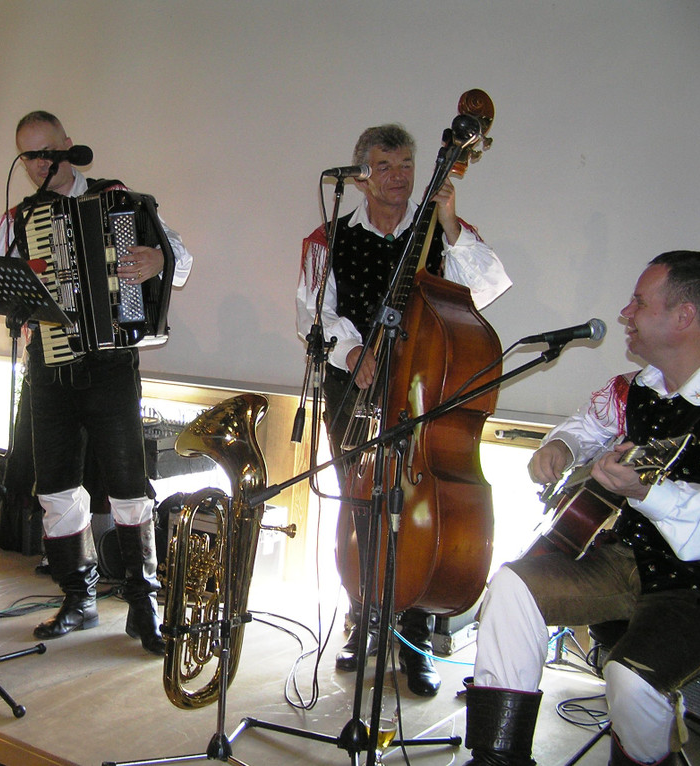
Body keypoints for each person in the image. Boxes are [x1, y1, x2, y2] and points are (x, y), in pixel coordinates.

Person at [295, 124, 511, 695]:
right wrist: (352, 351)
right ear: (361, 176)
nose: (399, 177)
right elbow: (313, 312)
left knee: (419, 513)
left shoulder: (441, 232)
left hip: (424, 393)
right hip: (355, 389)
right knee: (361, 503)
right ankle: (364, 618)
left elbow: (486, 289)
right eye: (386, 167)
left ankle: (415, 635)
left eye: (407, 166)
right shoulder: (328, 237)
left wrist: (449, 221)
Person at [463, 251, 700, 765]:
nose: (625, 313)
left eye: (639, 302)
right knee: (512, 587)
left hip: (692, 587)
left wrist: (647, 492)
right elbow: (586, 426)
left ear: (684, 316)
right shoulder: (635, 390)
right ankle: (497, 757)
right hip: (624, 561)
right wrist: (561, 446)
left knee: (631, 681)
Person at [0, 110, 193, 655]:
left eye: (47, 152)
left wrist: (156, 259)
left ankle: (143, 605)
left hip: (111, 364)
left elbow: (181, 257)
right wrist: (16, 294)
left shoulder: (116, 198)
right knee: (55, 485)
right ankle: (79, 597)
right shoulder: (18, 218)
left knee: (127, 485)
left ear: (69, 147)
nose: (39, 164)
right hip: (48, 366)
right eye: (28, 156)